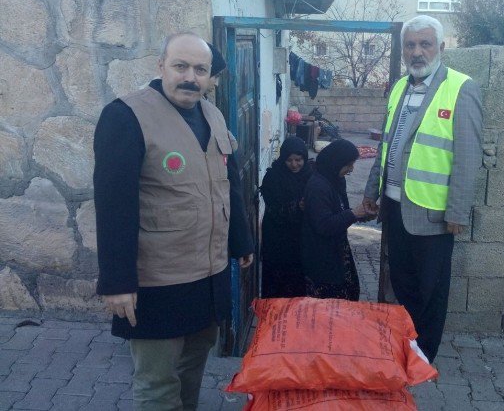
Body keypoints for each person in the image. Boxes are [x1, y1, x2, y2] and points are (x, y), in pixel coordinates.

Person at [94, 32, 254, 410]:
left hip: (209, 277)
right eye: (180, 66)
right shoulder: (126, 117)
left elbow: (226, 183)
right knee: (157, 384)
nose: (190, 77)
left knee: (191, 373)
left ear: (210, 76)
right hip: (158, 281)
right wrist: (117, 282)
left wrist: (241, 239)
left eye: (200, 70)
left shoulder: (212, 114)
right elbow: (114, 204)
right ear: (160, 66)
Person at [363, 15, 483, 363]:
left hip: (433, 213)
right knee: (402, 281)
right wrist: (372, 191)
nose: (417, 52)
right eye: (410, 45)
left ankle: (424, 354)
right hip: (396, 206)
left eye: (425, 44)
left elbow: (468, 156)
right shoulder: (400, 87)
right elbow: (386, 145)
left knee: (430, 289)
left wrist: (458, 211)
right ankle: (407, 341)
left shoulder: (461, 88)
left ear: (441, 48)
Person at [301, 139, 367, 301]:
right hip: (322, 258)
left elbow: (341, 211)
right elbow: (324, 225)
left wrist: (362, 214)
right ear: (336, 162)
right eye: (348, 165)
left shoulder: (335, 180)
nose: (351, 169)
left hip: (336, 252)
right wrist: (353, 214)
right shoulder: (318, 187)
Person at [259, 136, 311, 298]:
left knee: (298, 286)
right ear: (283, 159)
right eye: (289, 160)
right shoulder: (273, 177)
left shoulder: (310, 175)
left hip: (301, 241)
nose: (294, 164)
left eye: (298, 159)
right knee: (277, 286)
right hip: (277, 241)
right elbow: (273, 210)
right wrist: (297, 206)